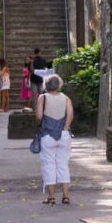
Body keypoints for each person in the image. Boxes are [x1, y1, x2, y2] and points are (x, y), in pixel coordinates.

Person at [35, 74, 74, 205]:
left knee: (49, 165)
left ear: (46, 85)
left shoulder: (43, 97)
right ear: (58, 85)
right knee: (63, 164)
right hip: (63, 135)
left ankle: (51, 197)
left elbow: (39, 116)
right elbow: (70, 114)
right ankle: (66, 196)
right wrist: (65, 128)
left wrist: (41, 124)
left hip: (47, 135)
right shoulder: (66, 98)